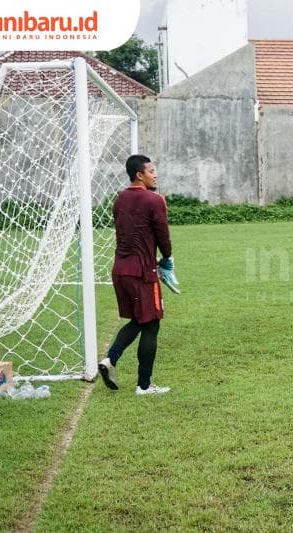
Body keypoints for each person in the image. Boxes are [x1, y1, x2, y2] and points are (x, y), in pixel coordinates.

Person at [98, 155, 175, 395]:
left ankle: (110, 360)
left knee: (140, 321)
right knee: (151, 325)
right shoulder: (154, 200)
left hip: (120, 271)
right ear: (139, 175)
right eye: (152, 171)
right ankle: (144, 385)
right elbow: (163, 235)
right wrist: (167, 259)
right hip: (142, 272)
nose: (155, 175)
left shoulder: (120, 199)